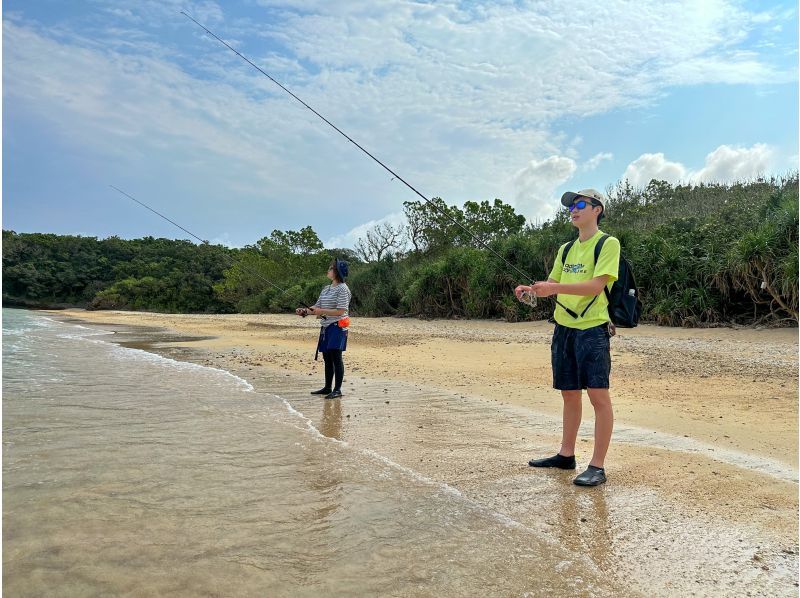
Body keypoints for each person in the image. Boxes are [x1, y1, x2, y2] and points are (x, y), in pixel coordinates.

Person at [515, 189, 620, 487]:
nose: (574, 209)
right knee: (569, 393)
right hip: (563, 328)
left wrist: (555, 289)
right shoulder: (566, 249)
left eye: (581, 204)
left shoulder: (607, 243)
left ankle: (597, 466)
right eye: (571, 206)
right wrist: (531, 291)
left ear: (597, 210)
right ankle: (566, 455)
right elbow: (552, 285)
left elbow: (596, 286)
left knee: (598, 396)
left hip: (593, 329)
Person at [296, 258, 352, 400]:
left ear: (337, 272)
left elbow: (341, 311)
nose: (328, 270)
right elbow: (316, 306)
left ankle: (337, 390)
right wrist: (305, 311)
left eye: (331, 268)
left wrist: (321, 311)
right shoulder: (326, 289)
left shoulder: (343, 289)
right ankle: (327, 387)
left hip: (338, 326)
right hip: (326, 326)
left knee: (336, 357)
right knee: (327, 358)